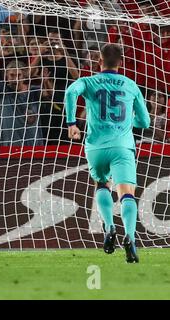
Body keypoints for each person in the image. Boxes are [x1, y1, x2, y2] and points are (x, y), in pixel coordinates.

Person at [64, 43, 150, 263]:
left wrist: (72, 122)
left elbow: (71, 91)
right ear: (120, 63)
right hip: (122, 146)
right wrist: (130, 120)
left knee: (102, 184)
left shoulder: (88, 81)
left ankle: (110, 227)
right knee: (127, 193)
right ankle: (130, 237)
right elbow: (145, 122)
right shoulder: (131, 85)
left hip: (95, 146)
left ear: (99, 61)